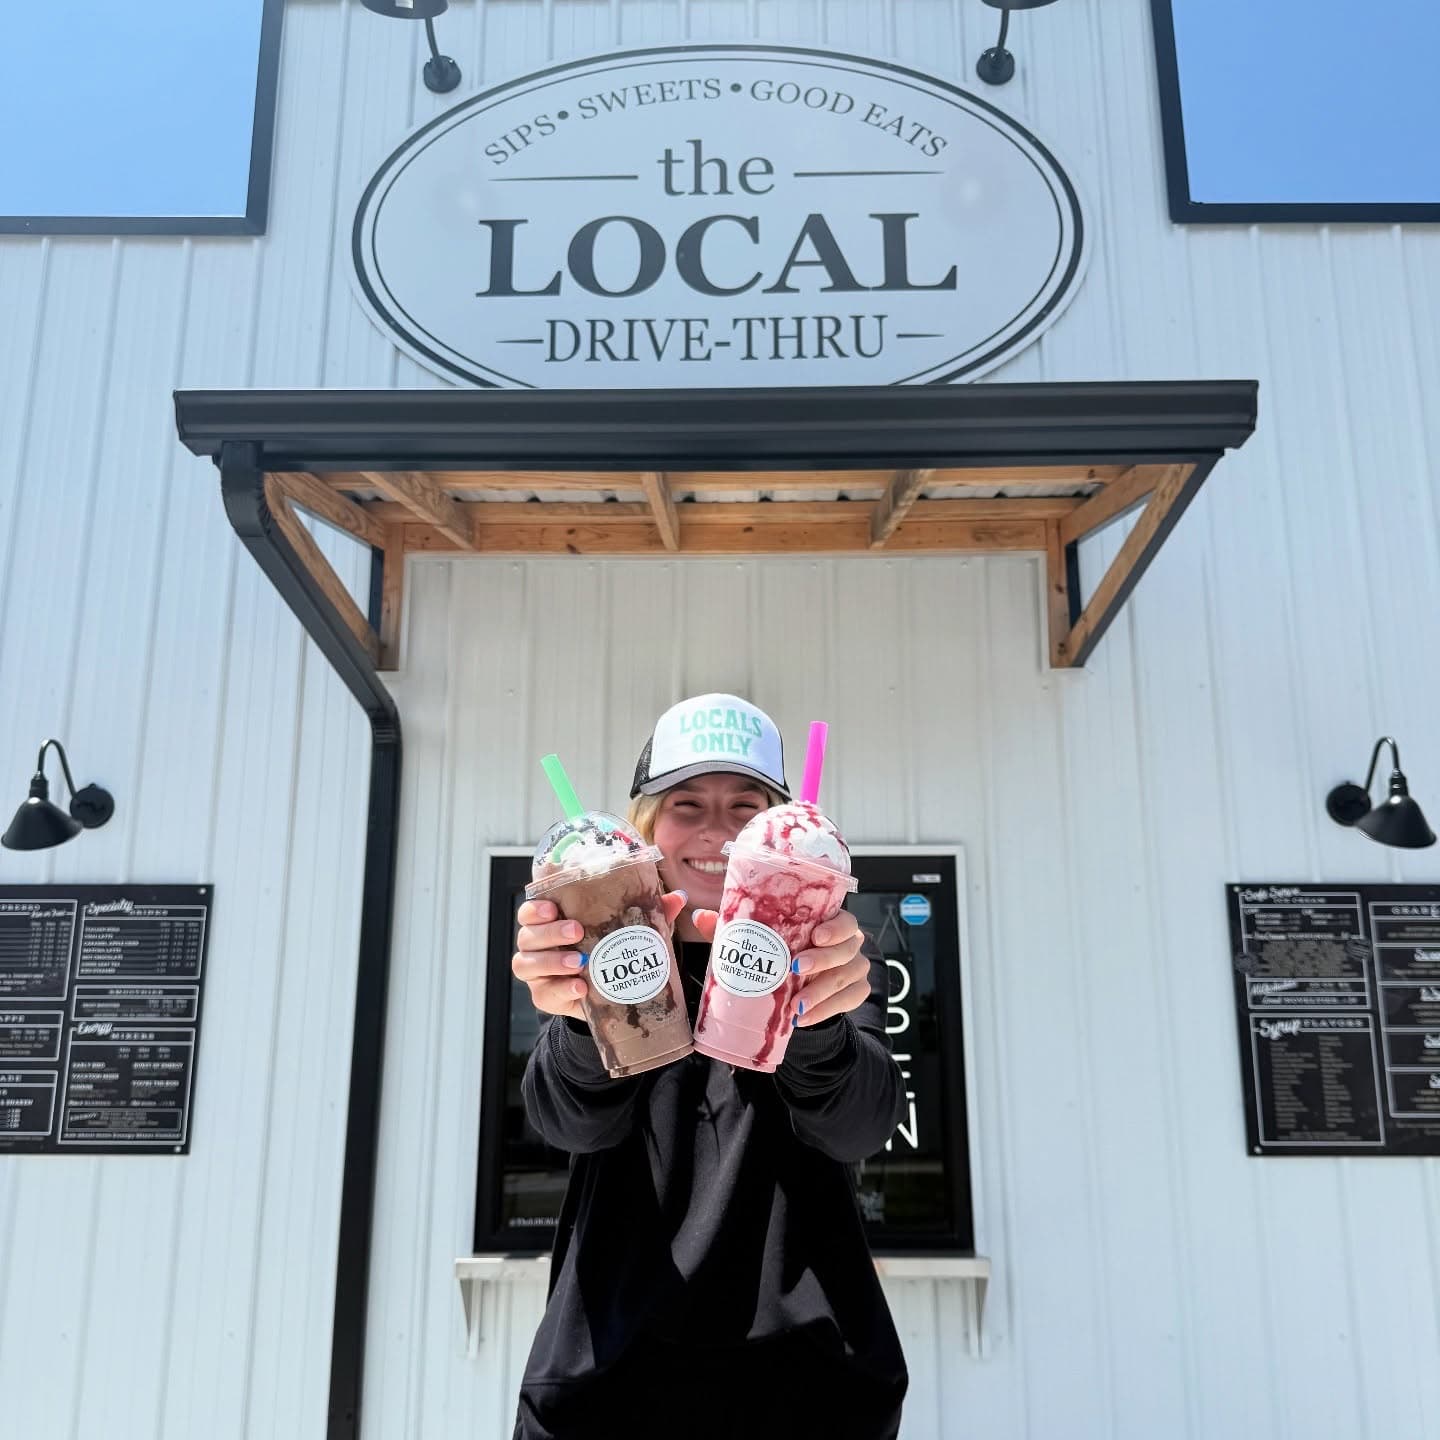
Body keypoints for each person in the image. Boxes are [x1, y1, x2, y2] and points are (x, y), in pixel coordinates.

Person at [510, 694, 908, 1440]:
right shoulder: (596, 949)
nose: (718, 830)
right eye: (687, 803)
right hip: (608, 1386)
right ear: (647, 826)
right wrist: (576, 1016)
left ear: (777, 826)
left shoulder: (835, 958)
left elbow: (859, 1126)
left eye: (745, 804)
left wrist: (815, 1019)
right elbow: (570, 1123)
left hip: (809, 1389)